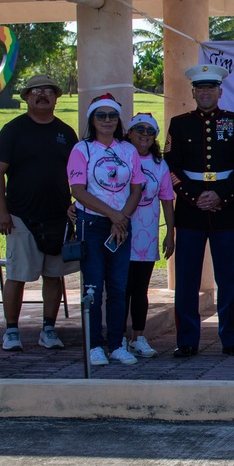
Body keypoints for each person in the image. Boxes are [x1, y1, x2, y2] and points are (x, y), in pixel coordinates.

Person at [165, 64, 234, 358]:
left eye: (211, 88)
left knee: (229, 278)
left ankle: (231, 339)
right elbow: (172, 166)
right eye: (200, 88)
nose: (205, 92)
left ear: (220, 91)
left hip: (226, 209)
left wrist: (220, 195)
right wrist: (195, 196)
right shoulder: (179, 123)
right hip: (190, 210)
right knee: (187, 279)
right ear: (193, 92)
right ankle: (187, 340)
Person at [0, 75, 79, 352]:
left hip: (58, 217)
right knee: (17, 274)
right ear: (26, 97)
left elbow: (78, 175)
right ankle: (12, 331)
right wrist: (2, 211)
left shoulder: (66, 133)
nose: (43, 95)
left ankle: (48, 329)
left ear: (56, 97)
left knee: (54, 275)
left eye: (49, 91)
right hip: (20, 216)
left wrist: (76, 204)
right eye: (36, 91)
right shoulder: (13, 130)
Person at [67, 94, 145, 366]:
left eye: (112, 116)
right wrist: (114, 215)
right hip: (92, 224)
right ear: (92, 119)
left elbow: (137, 188)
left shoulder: (128, 150)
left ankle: (116, 344)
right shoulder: (82, 150)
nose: (107, 121)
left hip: (121, 225)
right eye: (101, 116)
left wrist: (122, 218)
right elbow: (78, 191)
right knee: (93, 287)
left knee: (118, 287)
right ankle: (94, 346)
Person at [123, 113, 175, 359]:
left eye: (150, 131)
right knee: (121, 288)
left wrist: (170, 234)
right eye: (139, 129)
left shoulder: (159, 164)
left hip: (147, 236)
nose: (144, 134)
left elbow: (167, 200)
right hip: (121, 232)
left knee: (140, 289)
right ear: (130, 132)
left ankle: (138, 337)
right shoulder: (120, 157)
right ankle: (118, 338)